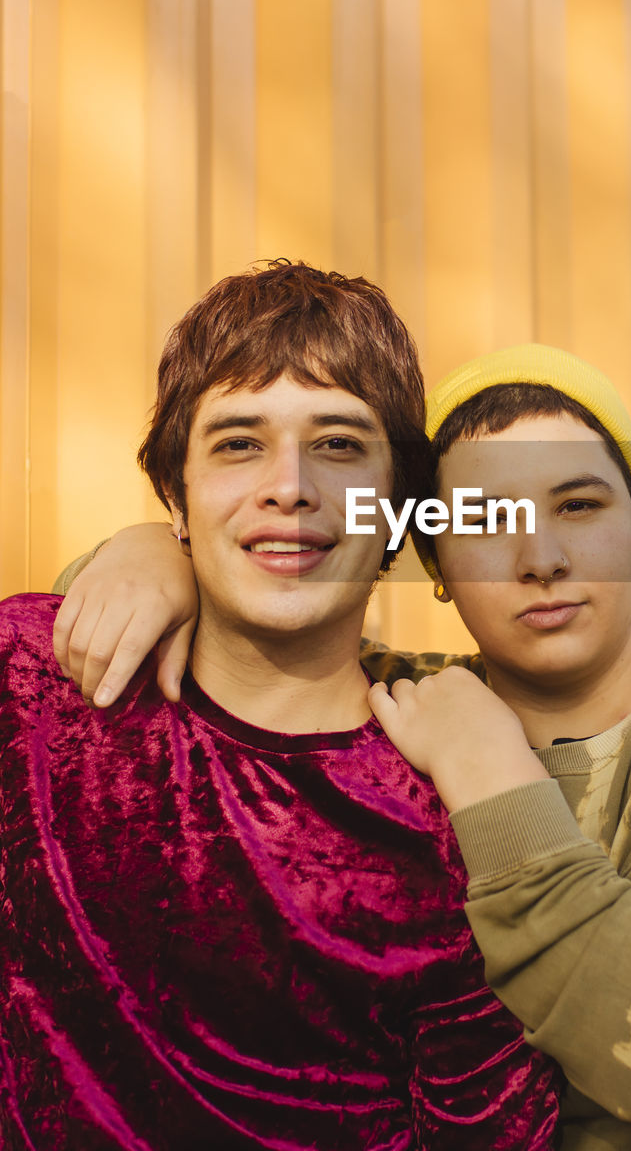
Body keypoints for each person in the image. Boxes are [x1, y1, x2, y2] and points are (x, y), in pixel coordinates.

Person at [51, 342, 631, 1149]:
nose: (541, 559)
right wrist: (152, 553)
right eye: (483, 520)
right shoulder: (401, 708)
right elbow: (205, 649)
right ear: (434, 560)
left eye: (578, 506)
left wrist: (490, 774)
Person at [0, 267, 562, 1150]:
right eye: (236, 444)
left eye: (338, 445)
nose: (289, 486)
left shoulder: (462, 809)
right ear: (176, 500)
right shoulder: (33, 676)